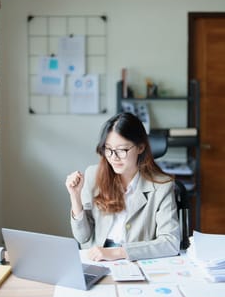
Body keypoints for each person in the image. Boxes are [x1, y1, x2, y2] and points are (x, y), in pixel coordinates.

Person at [65, 112, 180, 261]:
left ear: (140, 147)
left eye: (122, 150)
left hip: (137, 261)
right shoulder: (93, 175)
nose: (114, 157)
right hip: (97, 260)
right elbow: (82, 238)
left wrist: (119, 252)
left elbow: (170, 242)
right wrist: (75, 196)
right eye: (108, 149)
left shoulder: (161, 186)